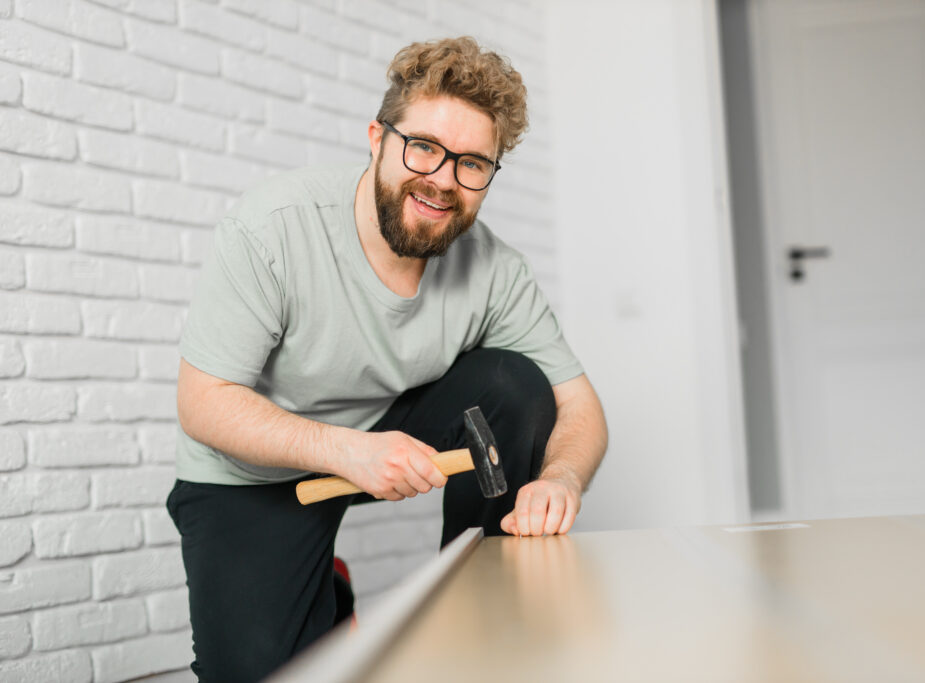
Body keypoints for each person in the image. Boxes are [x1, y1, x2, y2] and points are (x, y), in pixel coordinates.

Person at [167, 36, 608, 680]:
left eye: (472, 164)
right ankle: (327, 595)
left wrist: (562, 479)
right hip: (248, 476)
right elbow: (203, 404)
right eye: (423, 148)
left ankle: (487, 609)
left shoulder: (495, 269)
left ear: (489, 174)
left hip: (378, 435)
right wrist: (345, 450)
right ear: (378, 138)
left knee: (514, 383)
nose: (442, 181)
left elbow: (580, 408)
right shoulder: (274, 228)